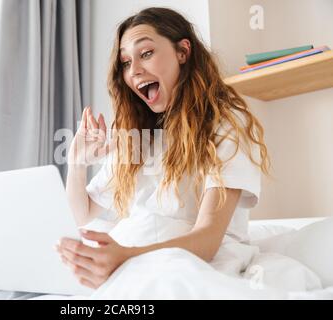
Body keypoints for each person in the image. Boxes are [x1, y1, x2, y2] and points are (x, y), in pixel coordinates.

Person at [56, 7, 270, 290]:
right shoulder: (138, 135)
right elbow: (83, 214)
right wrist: (77, 162)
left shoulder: (226, 124)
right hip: (134, 258)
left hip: (192, 264)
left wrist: (127, 258)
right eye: (126, 62)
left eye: (146, 54)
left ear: (183, 52)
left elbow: (208, 238)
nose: (135, 71)